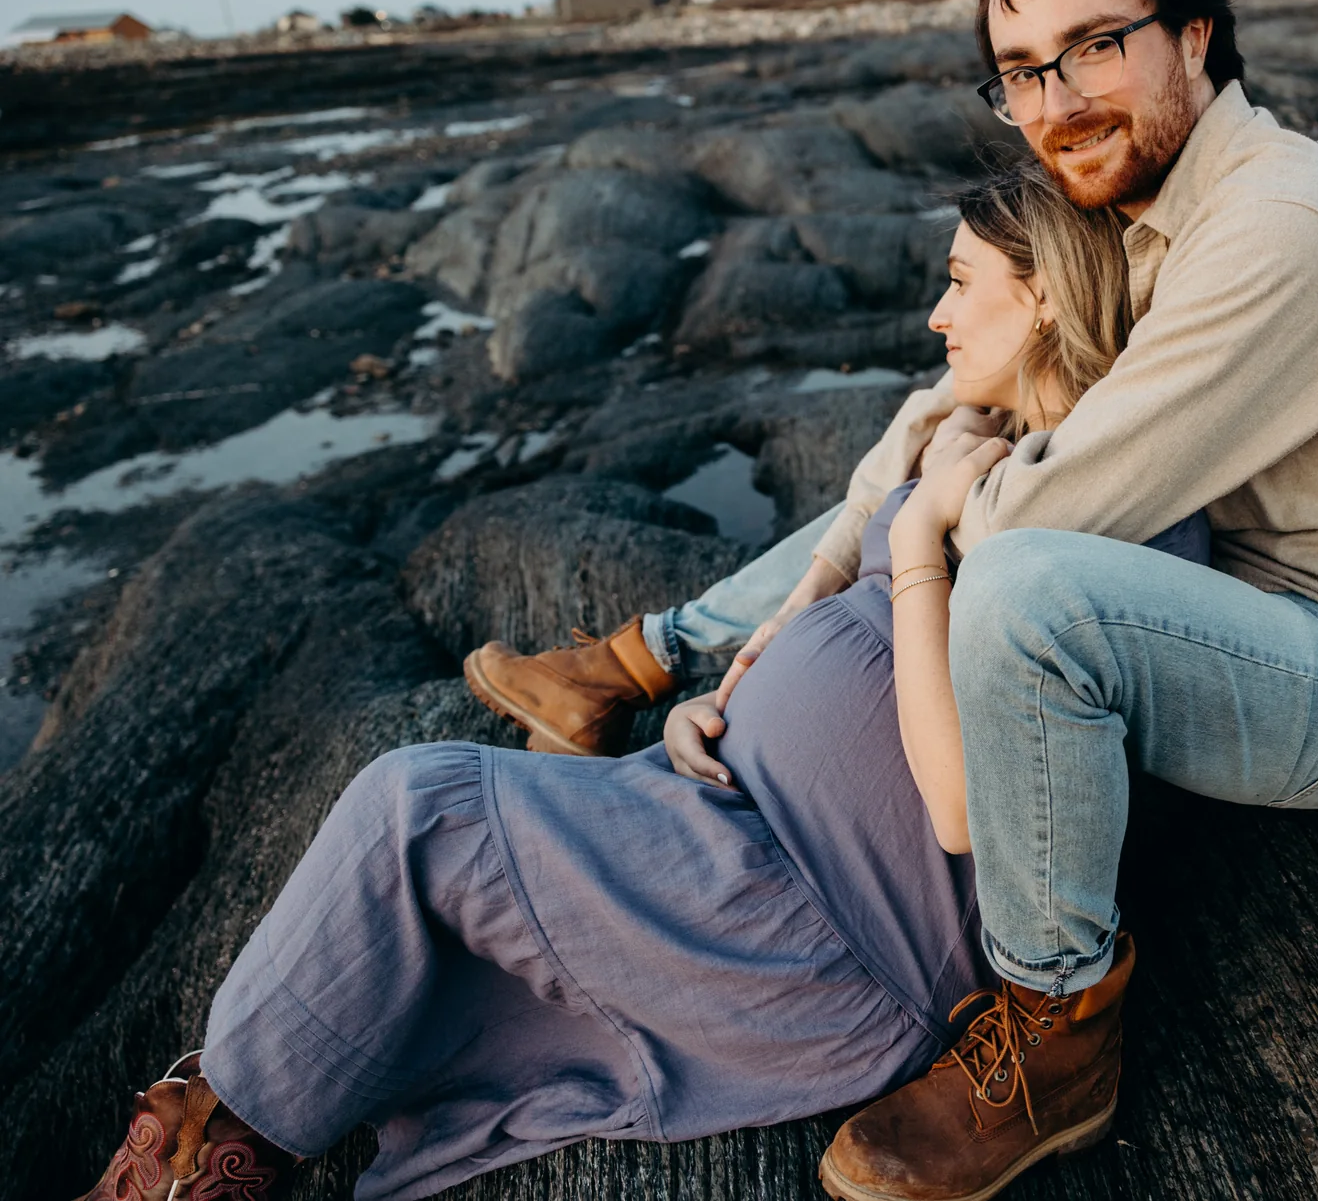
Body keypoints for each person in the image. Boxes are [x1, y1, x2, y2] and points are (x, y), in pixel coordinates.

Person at [487, 0, 1318, 1196]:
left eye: (1098, 46)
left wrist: (941, 490)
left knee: (1024, 583)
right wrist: (920, 458)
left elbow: (1048, 514)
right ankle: (632, 662)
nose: (1054, 103)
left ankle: (1055, 1030)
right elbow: (1024, 399)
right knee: (962, 458)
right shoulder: (1152, 204)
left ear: (1195, 36)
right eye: (1021, 70)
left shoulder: (1275, 227)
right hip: (1231, 602)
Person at [71, 167, 1209, 1201]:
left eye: (960, 283)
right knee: (422, 942)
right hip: (721, 819)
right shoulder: (971, 433)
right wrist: (720, 710)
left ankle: (197, 1155)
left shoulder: (1125, 518)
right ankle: (213, 1142)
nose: (935, 314)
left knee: (413, 806)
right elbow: (834, 617)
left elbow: (969, 806)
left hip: (827, 928)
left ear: (1049, 297)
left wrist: (918, 543)